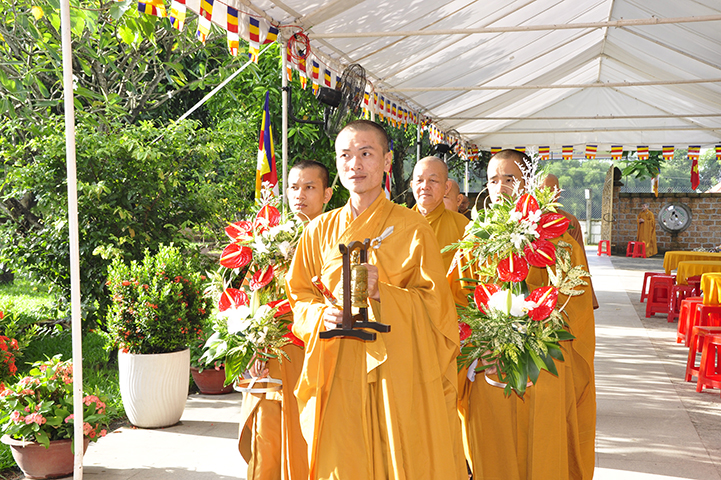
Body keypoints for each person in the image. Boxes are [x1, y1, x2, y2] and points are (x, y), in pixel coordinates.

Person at [286, 120, 466, 480]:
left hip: (398, 370)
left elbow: (438, 307)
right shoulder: (318, 230)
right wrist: (320, 314)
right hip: (336, 366)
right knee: (342, 463)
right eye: (345, 155)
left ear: (386, 161)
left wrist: (383, 292)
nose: (355, 164)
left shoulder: (413, 229)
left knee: (397, 459)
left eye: (366, 154)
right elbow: (299, 294)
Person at [453, 149, 596, 480]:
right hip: (488, 363)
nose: (501, 187)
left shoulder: (559, 239)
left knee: (543, 453)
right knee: (493, 451)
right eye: (493, 180)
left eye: (510, 178)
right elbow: (457, 301)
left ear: (528, 183)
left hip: (545, 365)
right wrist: (479, 349)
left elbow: (574, 305)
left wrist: (532, 337)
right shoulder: (475, 237)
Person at [238, 160, 332, 480]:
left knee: (313, 438)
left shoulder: (335, 239)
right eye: (294, 187)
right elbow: (252, 299)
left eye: (309, 187)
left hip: (317, 354)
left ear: (327, 194)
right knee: (268, 440)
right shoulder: (269, 241)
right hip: (274, 356)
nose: (300, 195)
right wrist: (254, 347)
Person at [540, 174, 599, 309]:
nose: (546, 194)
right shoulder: (526, 220)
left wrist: (588, 296)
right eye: (541, 189)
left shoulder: (569, 221)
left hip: (562, 284)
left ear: (559, 193)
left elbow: (580, 259)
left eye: (551, 190)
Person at [412, 157, 469, 272]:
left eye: (433, 180)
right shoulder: (396, 223)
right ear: (412, 185)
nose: (425, 186)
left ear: (446, 187)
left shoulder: (463, 226)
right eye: (419, 180)